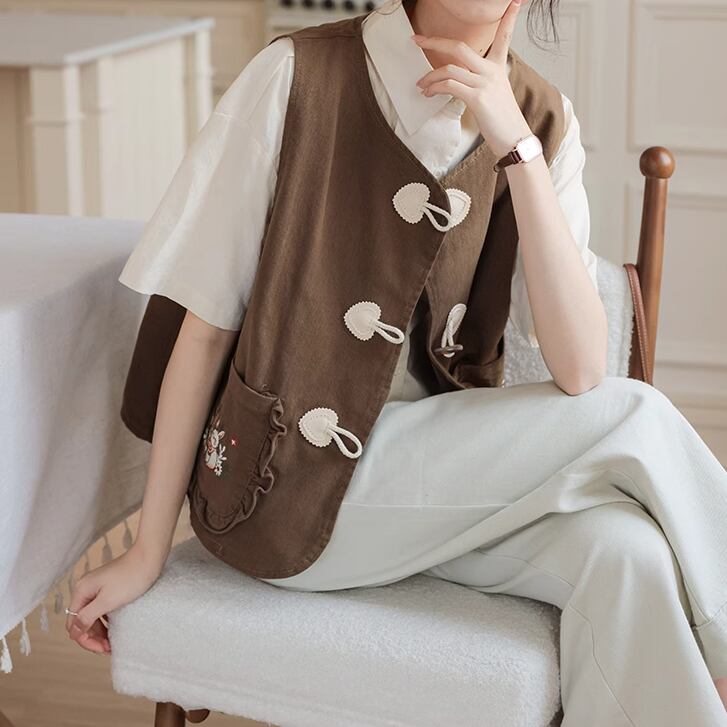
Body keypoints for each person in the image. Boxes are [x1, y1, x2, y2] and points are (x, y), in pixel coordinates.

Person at [65, 0, 727, 723]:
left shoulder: (542, 118)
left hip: (433, 497)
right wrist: (148, 549)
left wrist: (517, 149)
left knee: (626, 553)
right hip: (286, 488)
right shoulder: (296, 77)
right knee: (635, 415)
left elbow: (579, 370)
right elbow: (202, 331)